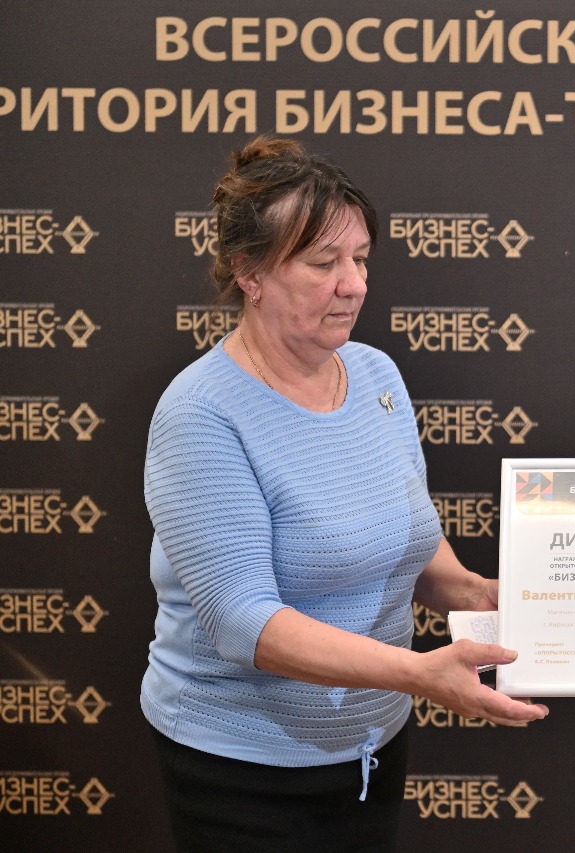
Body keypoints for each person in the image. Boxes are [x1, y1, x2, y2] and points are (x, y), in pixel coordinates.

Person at [141, 135, 547, 853]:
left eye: (360, 259)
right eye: (324, 262)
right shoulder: (200, 413)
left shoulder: (377, 375)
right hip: (243, 768)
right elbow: (244, 622)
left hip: (372, 746)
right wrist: (418, 674)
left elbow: (413, 543)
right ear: (250, 273)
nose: (354, 283)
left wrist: (491, 597)